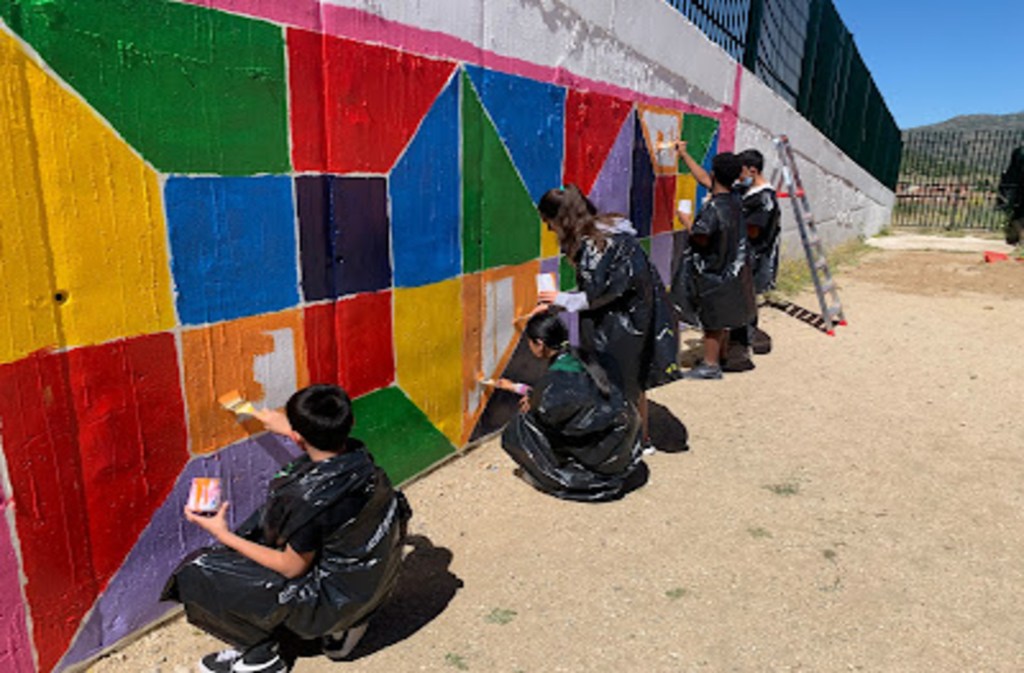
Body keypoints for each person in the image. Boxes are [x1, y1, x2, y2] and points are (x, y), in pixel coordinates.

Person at [162, 385, 411, 673]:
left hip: (333, 603)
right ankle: (349, 626)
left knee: (201, 568)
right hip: (372, 584)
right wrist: (294, 429)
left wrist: (222, 533)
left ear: (296, 437)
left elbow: (291, 568)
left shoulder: (312, 500)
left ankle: (262, 658)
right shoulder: (361, 462)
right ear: (351, 423)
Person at [534, 184, 680, 451]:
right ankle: (641, 440)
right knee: (633, 384)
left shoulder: (595, 245)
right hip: (634, 320)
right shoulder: (610, 234)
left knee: (619, 386)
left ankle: (627, 447)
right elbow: (605, 287)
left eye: (549, 222)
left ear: (561, 219)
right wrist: (557, 302)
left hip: (621, 328)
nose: (549, 229)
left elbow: (596, 295)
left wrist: (557, 299)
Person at [498, 309, 642, 501]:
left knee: (521, 425)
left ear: (540, 344)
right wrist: (533, 396)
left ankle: (556, 478)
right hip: (624, 448)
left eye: (529, 343)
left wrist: (533, 403)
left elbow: (550, 409)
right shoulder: (585, 356)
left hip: (606, 459)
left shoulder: (556, 378)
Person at [672, 152, 756, 379]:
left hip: (715, 271)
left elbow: (700, 237)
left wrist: (686, 220)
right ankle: (722, 355)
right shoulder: (736, 197)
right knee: (724, 316)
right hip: (733, 269)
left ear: (714, 174)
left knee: (713, 320)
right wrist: (684, 154)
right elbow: (704, 179)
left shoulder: (714, 208)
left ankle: (710, 365)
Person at [730, 148, 781, 359]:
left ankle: (740, 350)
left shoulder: (764, 199)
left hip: (753, 259)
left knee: (742, 303)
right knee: (743, 303)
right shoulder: (749, 193)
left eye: (740, 172)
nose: (738, 177)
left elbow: (753, 231)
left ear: (752, 170)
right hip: (745, 258)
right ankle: (746, 340)